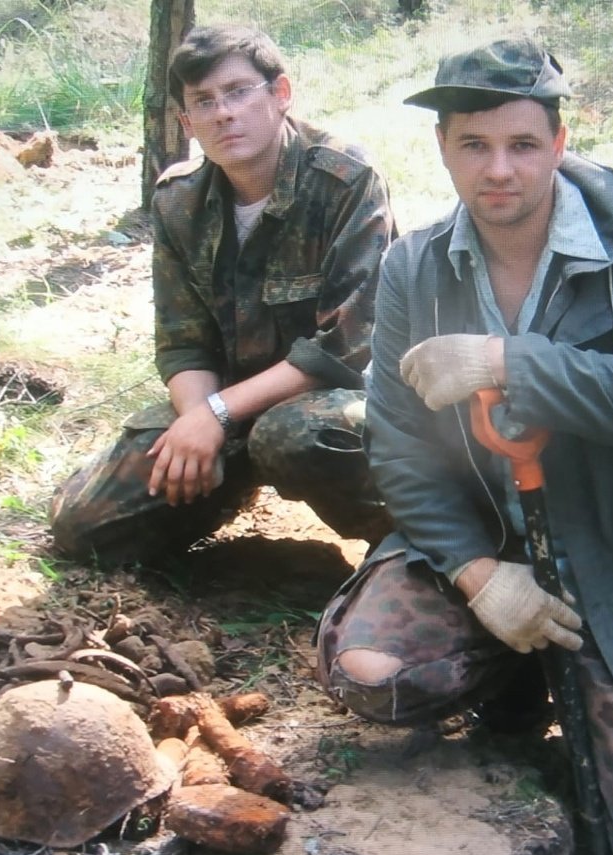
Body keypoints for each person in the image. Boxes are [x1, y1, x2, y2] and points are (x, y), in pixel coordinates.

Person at [315, 37, 613, 855]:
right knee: (377, 671)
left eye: (521, 143)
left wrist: (511, 362)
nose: (499, 168)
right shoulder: (416, 268)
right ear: (444, 149)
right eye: (474, 145)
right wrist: (479, 577)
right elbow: (399, 447)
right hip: (485, 533)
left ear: (561, 140)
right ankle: (513, 682)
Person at [50, 25, 397, 565]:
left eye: (239, 92)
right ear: (187, 123)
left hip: (338, 407)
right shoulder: (178, 201)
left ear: (280, 95)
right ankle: (230, 484)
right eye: (204, 102)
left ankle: (406, 542)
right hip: (229, 404)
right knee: (85, 527)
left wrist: (215, 415)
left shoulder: (345, 181)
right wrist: (198, 423)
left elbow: (343, 349)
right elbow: (184, 343)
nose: (223, 114)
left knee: (295, 436)